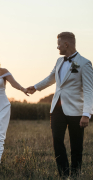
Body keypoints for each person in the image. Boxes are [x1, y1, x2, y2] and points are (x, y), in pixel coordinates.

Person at [27, 32, 93, 179]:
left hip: (77, 111)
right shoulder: (59, 61)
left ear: (66, 44)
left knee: (76, 146)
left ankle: (75, 175)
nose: (57, 47)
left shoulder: (84, 63)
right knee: (57, 141)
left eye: (58, 44)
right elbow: (51, 78)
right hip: (57, 108)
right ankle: (64, 174)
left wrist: (86, 114)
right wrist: (36, 87)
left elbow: (89, 90)